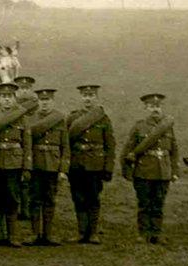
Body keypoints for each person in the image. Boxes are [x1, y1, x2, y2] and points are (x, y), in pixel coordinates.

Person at [123, 93, 177, 244]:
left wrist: (174, 171)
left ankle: (156, 233)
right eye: (152, 106)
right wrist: (126, 169)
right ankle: (143, 232)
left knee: (158, 204)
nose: (155, 109)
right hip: (144, 171)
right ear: (146, 108)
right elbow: (128, 148)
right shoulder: (139, 126)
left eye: (158, 106)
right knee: (144, 204)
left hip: (163, 172)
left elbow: (174, 150)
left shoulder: (168, 127)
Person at [0, 82, 30, 246]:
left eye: (10, 96)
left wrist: (26, 167)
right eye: (4, 97)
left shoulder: (22, 118)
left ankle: (13, 235)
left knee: (12, 198)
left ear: (14, 98)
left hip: (13, 164)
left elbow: (27, 144)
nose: (7, 100)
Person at [65, 84, 114, 244]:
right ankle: (81, 232)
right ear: (81, 98)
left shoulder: (103, 119)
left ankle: (92, 233)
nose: (87, 99)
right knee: (78, 197)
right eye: (85, 96)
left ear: (96, 98)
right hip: (77, 164)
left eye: (91, 96)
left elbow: (110, 145)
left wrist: (108, 167)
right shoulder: (72, 118)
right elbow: (65, 144)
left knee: (93, 197)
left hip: (95, 165)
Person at [25, 88, 69, 246]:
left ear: (53, 101)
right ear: (38, 102)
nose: (45, 103)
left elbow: (65, 146)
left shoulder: (59, 119)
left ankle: (48, 234)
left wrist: (63, 169)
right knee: (35, 199)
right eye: (42, 100)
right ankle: (35, 233)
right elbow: (27, 145)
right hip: (35, 165)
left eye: (48, 100)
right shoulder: (30, 119)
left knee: (50, 199)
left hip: (52, 165)